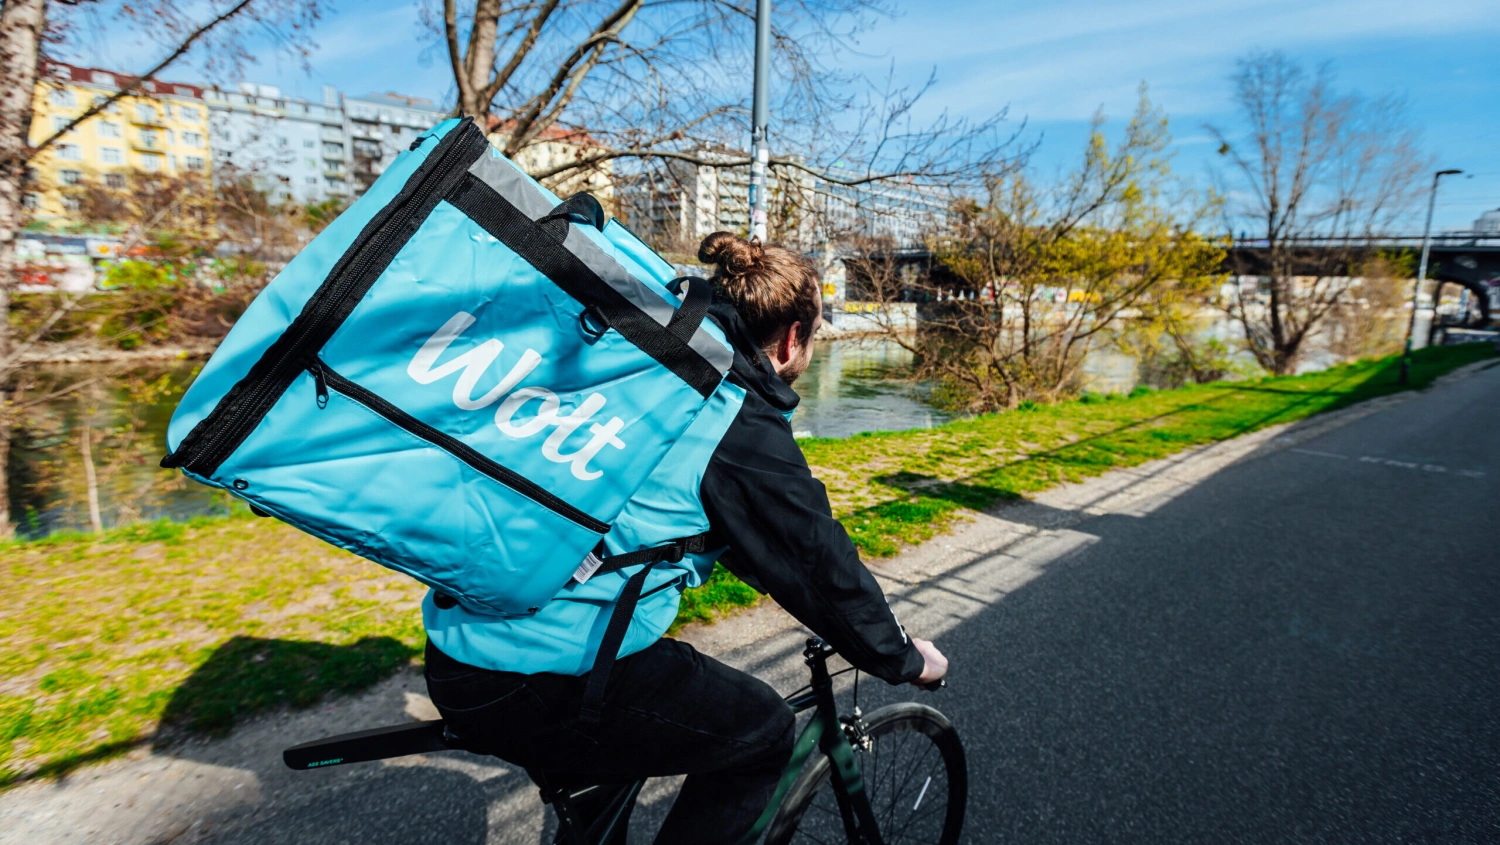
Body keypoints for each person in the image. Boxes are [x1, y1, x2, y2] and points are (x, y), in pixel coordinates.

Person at [423, 231, 949, 844]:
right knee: (767, 735)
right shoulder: (736, 422)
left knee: (609, 782)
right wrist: (904, 657)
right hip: (547, 676)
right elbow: (817, 565)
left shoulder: (648, 362)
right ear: (792, 339)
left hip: (462, 643)